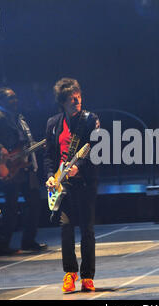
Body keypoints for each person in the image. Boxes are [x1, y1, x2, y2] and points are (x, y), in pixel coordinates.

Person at [0, 87, 47, 256]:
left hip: (25, 166)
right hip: (9, 166)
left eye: (15, 97)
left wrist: (37, 145)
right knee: (11, 206)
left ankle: (28, 241)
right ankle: (1, 245)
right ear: (0, 101)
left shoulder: (18, 118)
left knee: (34, 203)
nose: (15, 101)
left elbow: (24, 142)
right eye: (10, 98)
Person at [44, 77, 100, 294]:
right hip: (62, 183)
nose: (77, 102)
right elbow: (48, 155)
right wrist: (50, 175)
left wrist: (81, 167)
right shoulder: (52, 124)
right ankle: (70, 273)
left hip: (85, 181)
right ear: (62, 103)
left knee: (87, 229)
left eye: (78, 97)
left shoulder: (90, 120)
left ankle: (87, 276)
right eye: (72, 100)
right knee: (66, 227)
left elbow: (97, 150)